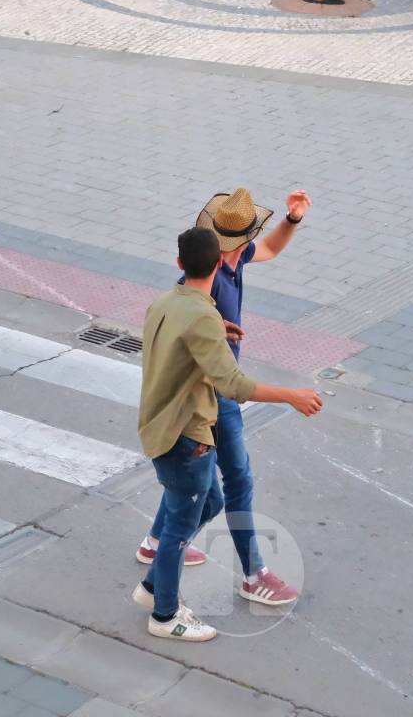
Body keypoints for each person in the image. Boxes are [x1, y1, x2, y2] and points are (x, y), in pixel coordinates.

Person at [132, 227, 322, 642]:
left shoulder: (166, 303)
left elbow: (185, 342)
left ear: (180, 265)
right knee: (180, 527)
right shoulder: (203, 316)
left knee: (210, 502)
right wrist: (290, 395)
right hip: (186, 436)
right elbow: (234, 384)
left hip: (160, 424)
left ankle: (152, 588)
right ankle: (165, 616)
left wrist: (217, 332)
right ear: (219, 263)